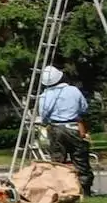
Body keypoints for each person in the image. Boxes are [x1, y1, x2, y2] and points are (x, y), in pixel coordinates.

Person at [37, 66, 93, 194]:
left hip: (55, 129)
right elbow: (84, 108)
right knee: (80, 160)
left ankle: (61, 190)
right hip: (73, 127)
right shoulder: (74, 90)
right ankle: (85, 190)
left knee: (57, 162)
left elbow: (43, 116)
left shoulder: (44, 95)